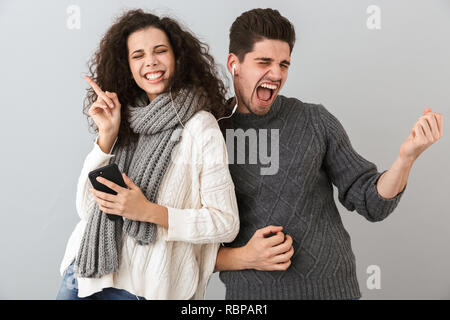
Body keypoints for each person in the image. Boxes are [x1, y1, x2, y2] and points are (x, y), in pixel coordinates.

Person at [215, 8, 444, 300]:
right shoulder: (209, 131)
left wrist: (406, 158)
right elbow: (182, 249)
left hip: (333, 292)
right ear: (234, 64)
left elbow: (372, 203)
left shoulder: (314, 120)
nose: (276, 74)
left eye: (284, 64)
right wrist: (244, 257)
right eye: (264, 62)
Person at [56, 9, 239, 300]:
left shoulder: (200, 127)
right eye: (138, 55)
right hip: (84, 279)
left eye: (160, 51)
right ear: (127, 66)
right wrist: (107, 137)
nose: (150, 61)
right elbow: (86, 210)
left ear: (178, 58)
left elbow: (226, 223)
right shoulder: (125, 119)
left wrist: (149, 212)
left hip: (144, 290)